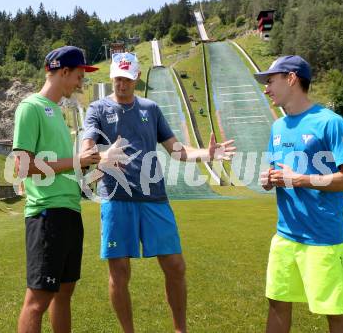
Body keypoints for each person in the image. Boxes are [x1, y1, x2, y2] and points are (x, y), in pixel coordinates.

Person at [81, 52, 236, 333]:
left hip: (154, 199)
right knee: (119, 273)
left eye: (127, 79)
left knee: (175, 266)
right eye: (117, 78)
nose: (121, 84)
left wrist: (207, 153)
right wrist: (99, 157)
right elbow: (86, 149)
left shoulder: (151, 109)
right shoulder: (98, 109)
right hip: (116, 199)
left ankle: (180, 330)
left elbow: (177, 150)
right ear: (111, 76)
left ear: (137, 77)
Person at [255, 55, 343, 333]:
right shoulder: (277, 127)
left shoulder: (330, 122)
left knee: (334, 312)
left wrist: (300, 179)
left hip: (324, 238)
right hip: (285, 235)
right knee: (277, 303)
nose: (266, 88)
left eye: (271, 81)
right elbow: (276, 170)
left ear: (291, 78)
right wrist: (269, 178)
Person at [13, 46, 100, 333]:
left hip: (69, 211)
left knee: (64, 294)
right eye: (78, 76)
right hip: (47, 214)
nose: (80, 83)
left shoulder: (57, 113)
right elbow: (22, 166)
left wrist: (94, 164)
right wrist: (77, 161)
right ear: (63, 72)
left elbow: (63, 166)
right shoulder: (31, 107)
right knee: (38, 300)